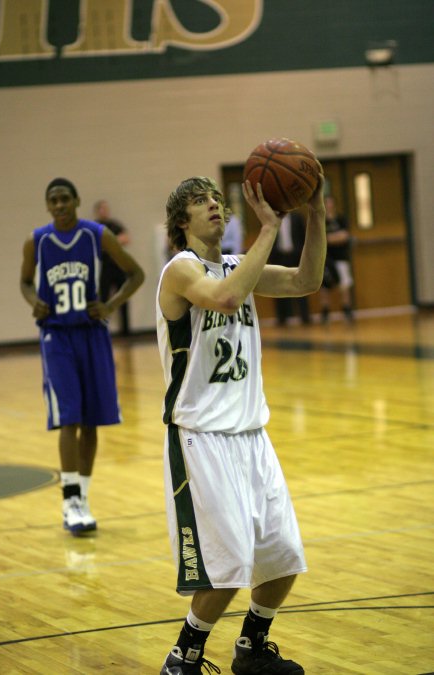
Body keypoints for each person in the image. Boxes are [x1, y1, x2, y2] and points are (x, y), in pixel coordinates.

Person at [156, 169, 326, 674]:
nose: (212, 204)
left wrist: (314, 214)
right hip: (201, 437)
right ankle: (182, 659)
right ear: (180, 220)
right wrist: (269, 228)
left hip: (253, 434)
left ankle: (252, 647)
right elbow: (225, 297)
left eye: (215, 198)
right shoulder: (179, 271)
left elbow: (306, 280)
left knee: (283, 555)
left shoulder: (238, 264)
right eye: (199, 200)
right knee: (228, 566)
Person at [20, 178, 145, 536]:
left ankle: (83, 500)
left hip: (92, 335)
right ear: (48, 206)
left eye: (64, 198)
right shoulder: (37, 241)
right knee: (68, 419)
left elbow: (136, 274)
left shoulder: (97, 235)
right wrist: (34, 302)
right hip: (57, 336)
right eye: (53, 200)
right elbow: (25, 282)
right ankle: (69, 501)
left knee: (91, 422)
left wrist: (110, 305)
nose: (59, 205)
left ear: (76, 200)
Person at [94, 199, 132, 336]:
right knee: (103, 299)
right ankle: (101, 329)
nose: (105, 211)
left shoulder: (114, 224)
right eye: (102, 209)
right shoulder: (96, 226)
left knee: (123, 296)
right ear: (98, 211)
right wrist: (114, 242)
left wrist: (110, 242)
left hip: (119, 266)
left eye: (106, 208)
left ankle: (126, 331)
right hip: (105, 268)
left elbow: (126, 238)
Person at [268, 211, 311, 325]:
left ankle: (305, 317)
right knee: (279, 288)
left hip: (296, 257)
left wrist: (304, 257)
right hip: (279, 257)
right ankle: (282, 318)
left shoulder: (297, 218)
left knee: (301, 286)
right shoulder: (271, 219)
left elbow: (303, 238)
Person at [319, 195, 354, 323]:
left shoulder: (341, 219)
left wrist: (328, 239)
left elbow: (345, 236)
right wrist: (333, 238)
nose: (328, 205)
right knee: (325, 287)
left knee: (344, 285)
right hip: (326, 259)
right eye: (326, 203)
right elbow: (319, 239)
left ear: (334, 204)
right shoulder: (321, 221)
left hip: (341, 258)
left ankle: (346, 310)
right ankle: (325, 312)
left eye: (330, 203)